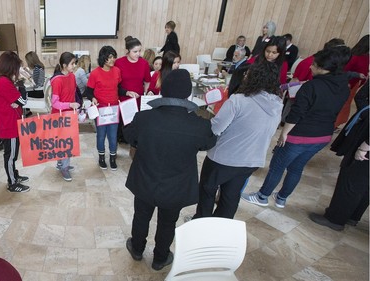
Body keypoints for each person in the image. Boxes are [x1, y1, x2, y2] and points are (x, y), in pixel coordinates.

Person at [123, 69, 216, 271]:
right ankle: (160, 258)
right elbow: (209, 142)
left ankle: (137, 249)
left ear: (163, 91)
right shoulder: (200, 125)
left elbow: (130, 137)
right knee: (168, 222)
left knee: (141, 216)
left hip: (145, 180)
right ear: (187, 94)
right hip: (177, 185)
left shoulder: (143, 118)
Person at [242, 46, 351, 208]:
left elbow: (296, 113)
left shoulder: (311, 87)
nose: (310, 66)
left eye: (314, 65)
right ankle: (281, 198)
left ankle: (262, 196)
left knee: (277, 166)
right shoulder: (343, 86)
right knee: (297, 167)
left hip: (300, 134)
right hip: (323, 136)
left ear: (324, 69)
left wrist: (284, 133)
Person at [191, 62, 283, 219]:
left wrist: (213, 112)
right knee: (231, 196)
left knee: (207, 190)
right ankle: (222, 227)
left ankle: (202, 224)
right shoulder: (277, 103)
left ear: (255, 78)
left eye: (248, 74)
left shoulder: (238, 100)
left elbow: (215, 128)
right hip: (251, 160)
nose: (245, 77)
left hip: (223, 158)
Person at [309, 95, 369, 231]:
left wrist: (365, 147)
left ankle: (335, 218)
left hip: (366, 149)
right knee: (364, 186)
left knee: (351, 181)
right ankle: (352, 215)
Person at [0, 51, 30, 192]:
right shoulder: (3, 81)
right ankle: (12, 183)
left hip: (11, 123)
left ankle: (14, 175)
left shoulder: (4, 80)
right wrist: (21, 84)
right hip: (9, 125)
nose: (18, 71)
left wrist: (17, 101)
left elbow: (19, 102)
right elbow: (23, 100)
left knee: (13, 154)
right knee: (10, 156)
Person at [85, 46, 122, 170]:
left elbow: (119, 88)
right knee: (101, 135)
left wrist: (127, 92)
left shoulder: (117, 71)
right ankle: (101, 157)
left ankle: (112, 158)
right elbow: (88, 91)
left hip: (113, 109)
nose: (112, 60)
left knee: (113, 135)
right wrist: (93, 98)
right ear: (103, 58)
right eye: (109, 57)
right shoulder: (95, 73)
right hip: (100, 109)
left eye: (113, 57)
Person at [50, 52, 81, 181]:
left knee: (65, 141)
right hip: (59, 115)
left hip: (70, 114)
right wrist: (70, 104)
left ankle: (61, 163)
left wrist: (76, 108)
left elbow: (73, 94)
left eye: (75, 63)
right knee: (65, 143)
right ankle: (64, 167)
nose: (74, 66)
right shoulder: (57, 80)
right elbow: (54, 103)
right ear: (64, 65)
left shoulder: (72, 76)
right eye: (72, 64)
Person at [114, 36, 151, 143]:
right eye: (135, 51)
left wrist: (146, 94)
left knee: (135, 121)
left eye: (140, 51)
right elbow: (115, 83)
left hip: (138, 98)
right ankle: (120, 138)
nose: (138, 54)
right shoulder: (119, 62)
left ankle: (133, 141)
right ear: (128, 51)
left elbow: (147, 81)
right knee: (122, 122)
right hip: (123, 97)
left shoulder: (144, 63)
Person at [335, 35, 369, 128]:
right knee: (342, 105)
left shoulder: (366, 56)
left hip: (355, 84)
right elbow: (344, 71)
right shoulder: (354, 56)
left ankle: (336, 124)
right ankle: (333, 124)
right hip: (348, 84)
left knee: (345, 105)